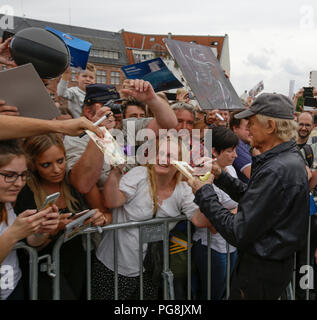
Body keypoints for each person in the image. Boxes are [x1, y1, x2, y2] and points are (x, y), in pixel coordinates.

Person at [187, 93, 309, 299]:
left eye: (252, 123)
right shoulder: (285, 159)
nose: (249, 130)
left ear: (270, 126)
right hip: (270, 266)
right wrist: (220, 175)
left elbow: (238, 230)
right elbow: (257, 200)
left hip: (259, 272)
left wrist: (203, 191)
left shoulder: (277, 168)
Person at [92, 136, 214, 300]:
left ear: (181, 162)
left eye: (170, 156)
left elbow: (200, 221)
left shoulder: (183, 188)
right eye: (160, 153)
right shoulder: (140, 174)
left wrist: (205, 191)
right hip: (114, 266)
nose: (163, 158)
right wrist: (115, 173)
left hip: (150, 269)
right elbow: (112, 201)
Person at [14, 133, 106, 299]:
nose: (56, 169)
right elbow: (27, 245)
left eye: (60, 161)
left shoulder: (73, 183)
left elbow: (106, 215)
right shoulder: (24, 193)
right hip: (43, 268)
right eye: (46, 164)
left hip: (77, 262)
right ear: (33, 165)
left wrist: (98, 218)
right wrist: (53, 229)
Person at [0, 139, 59, 300]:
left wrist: (41, 231)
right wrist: (13, 234)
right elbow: (12, 237)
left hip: (12, 287)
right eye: (9, 175)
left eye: (23, 175)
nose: (19, 183)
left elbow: (31, 243)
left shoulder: (6, 204)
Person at [192, 126, 238, 300]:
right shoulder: (202, 176)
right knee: (213, 294)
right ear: (214, 151)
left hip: (231, 244)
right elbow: (213, 226)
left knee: (226, 292)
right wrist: (238, 211)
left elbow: (243, 204)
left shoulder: (230, 170)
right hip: (212, 247)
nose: (235, 155)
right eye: (229, 151)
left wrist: (229, 212)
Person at [229, 111, 252, 182]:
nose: (251, 131)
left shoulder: (246, 143)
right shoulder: (237, 145)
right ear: (235, 128)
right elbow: (253, 176)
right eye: (247, 129)